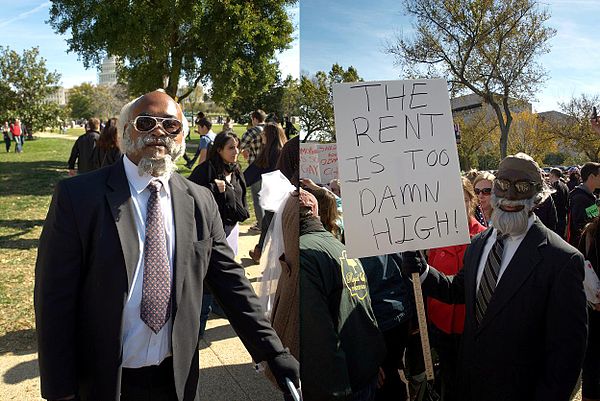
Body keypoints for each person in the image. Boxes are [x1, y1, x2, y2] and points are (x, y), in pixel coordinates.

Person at [34, 90, 299, 401]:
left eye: (170, 125)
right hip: (104, 379)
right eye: (146, 122)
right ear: (124, 132)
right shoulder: (78, 198)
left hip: (176, 379)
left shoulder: (199, 200)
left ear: (182, 135)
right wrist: (60, 389)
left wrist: (273, 352)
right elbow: (54, 299)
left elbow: (232, 284)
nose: (158, 131)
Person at [402, 152, 587, 401]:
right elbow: (458, 290)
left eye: (521, 188)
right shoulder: (479, 244)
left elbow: (567, 354)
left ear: (536, 197)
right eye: (502, 186)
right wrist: (423, 271)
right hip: (471, 384)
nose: (510, 197)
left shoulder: (562, 260)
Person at [300, 189, 386, 401]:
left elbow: (318, 334)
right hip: (362, 371)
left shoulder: (304, 254)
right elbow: (364, 312)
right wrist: (373, 361)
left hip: (341, 383)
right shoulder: (339, 247)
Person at [426, 177, 486, 401]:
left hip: (470, 327)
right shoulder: (434, 234)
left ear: (470, 200)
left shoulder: (482, 236)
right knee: (449, 382)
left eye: (459, 199)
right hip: (440, 324)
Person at [240, 109, 267, 231]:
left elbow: (239, 145)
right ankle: (268, 223)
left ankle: (261, 224)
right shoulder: (271, 130)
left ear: (255, 119)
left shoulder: (253, 131)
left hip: (256, 167)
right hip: (271, 167)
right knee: (268, 196)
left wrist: (244, 150)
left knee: (257, 197)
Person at [568, 162, 600, 247]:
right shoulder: (580, 198)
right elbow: (579, 228)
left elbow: (593, 217)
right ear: (591, 177)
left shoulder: (588, 196)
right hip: (582, 248)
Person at [549, 168, 570, 238]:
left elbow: (555, 203)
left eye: (550, 175)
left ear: (552, 175)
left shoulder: (556, 186)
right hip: (563, 216)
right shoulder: (564, 185)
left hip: (558, 216)